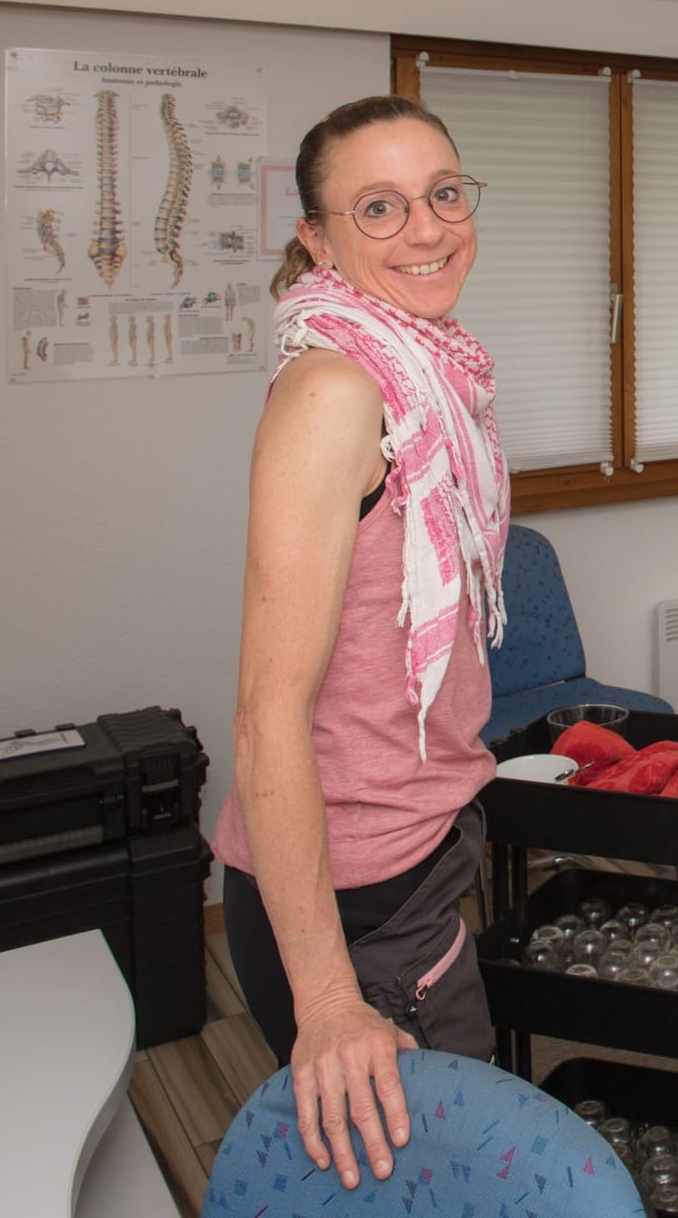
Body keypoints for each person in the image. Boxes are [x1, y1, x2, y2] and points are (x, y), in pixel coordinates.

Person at [210, 95, 507, 1193]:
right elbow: (265, 716)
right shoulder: (336, 391)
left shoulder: (426, 370)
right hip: (354, 898)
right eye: (378, 207)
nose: (426, 229)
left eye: (443, 193)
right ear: (318, 240)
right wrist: (330, 1001)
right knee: (433, 1188)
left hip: (411, 851)